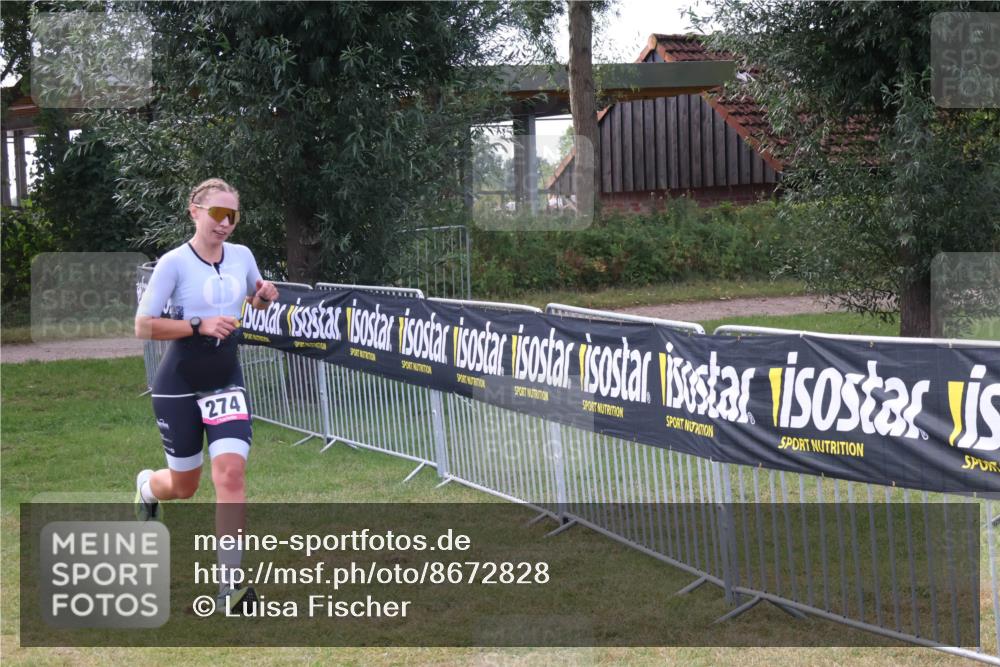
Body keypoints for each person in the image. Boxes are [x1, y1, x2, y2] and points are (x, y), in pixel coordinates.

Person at [133, 177, 279, 615]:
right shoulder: (174, 263)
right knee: (185, 486)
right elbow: (143, 326)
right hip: (179, 381)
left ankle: (230, 588)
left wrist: (264, 296)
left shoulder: (243, 256)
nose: (225, 223)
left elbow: (255, 297)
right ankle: (147, 486)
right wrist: (199, 325)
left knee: (230, 475)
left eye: (232, 215)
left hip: (226, 379)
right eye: (217, 213)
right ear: (194, 211)